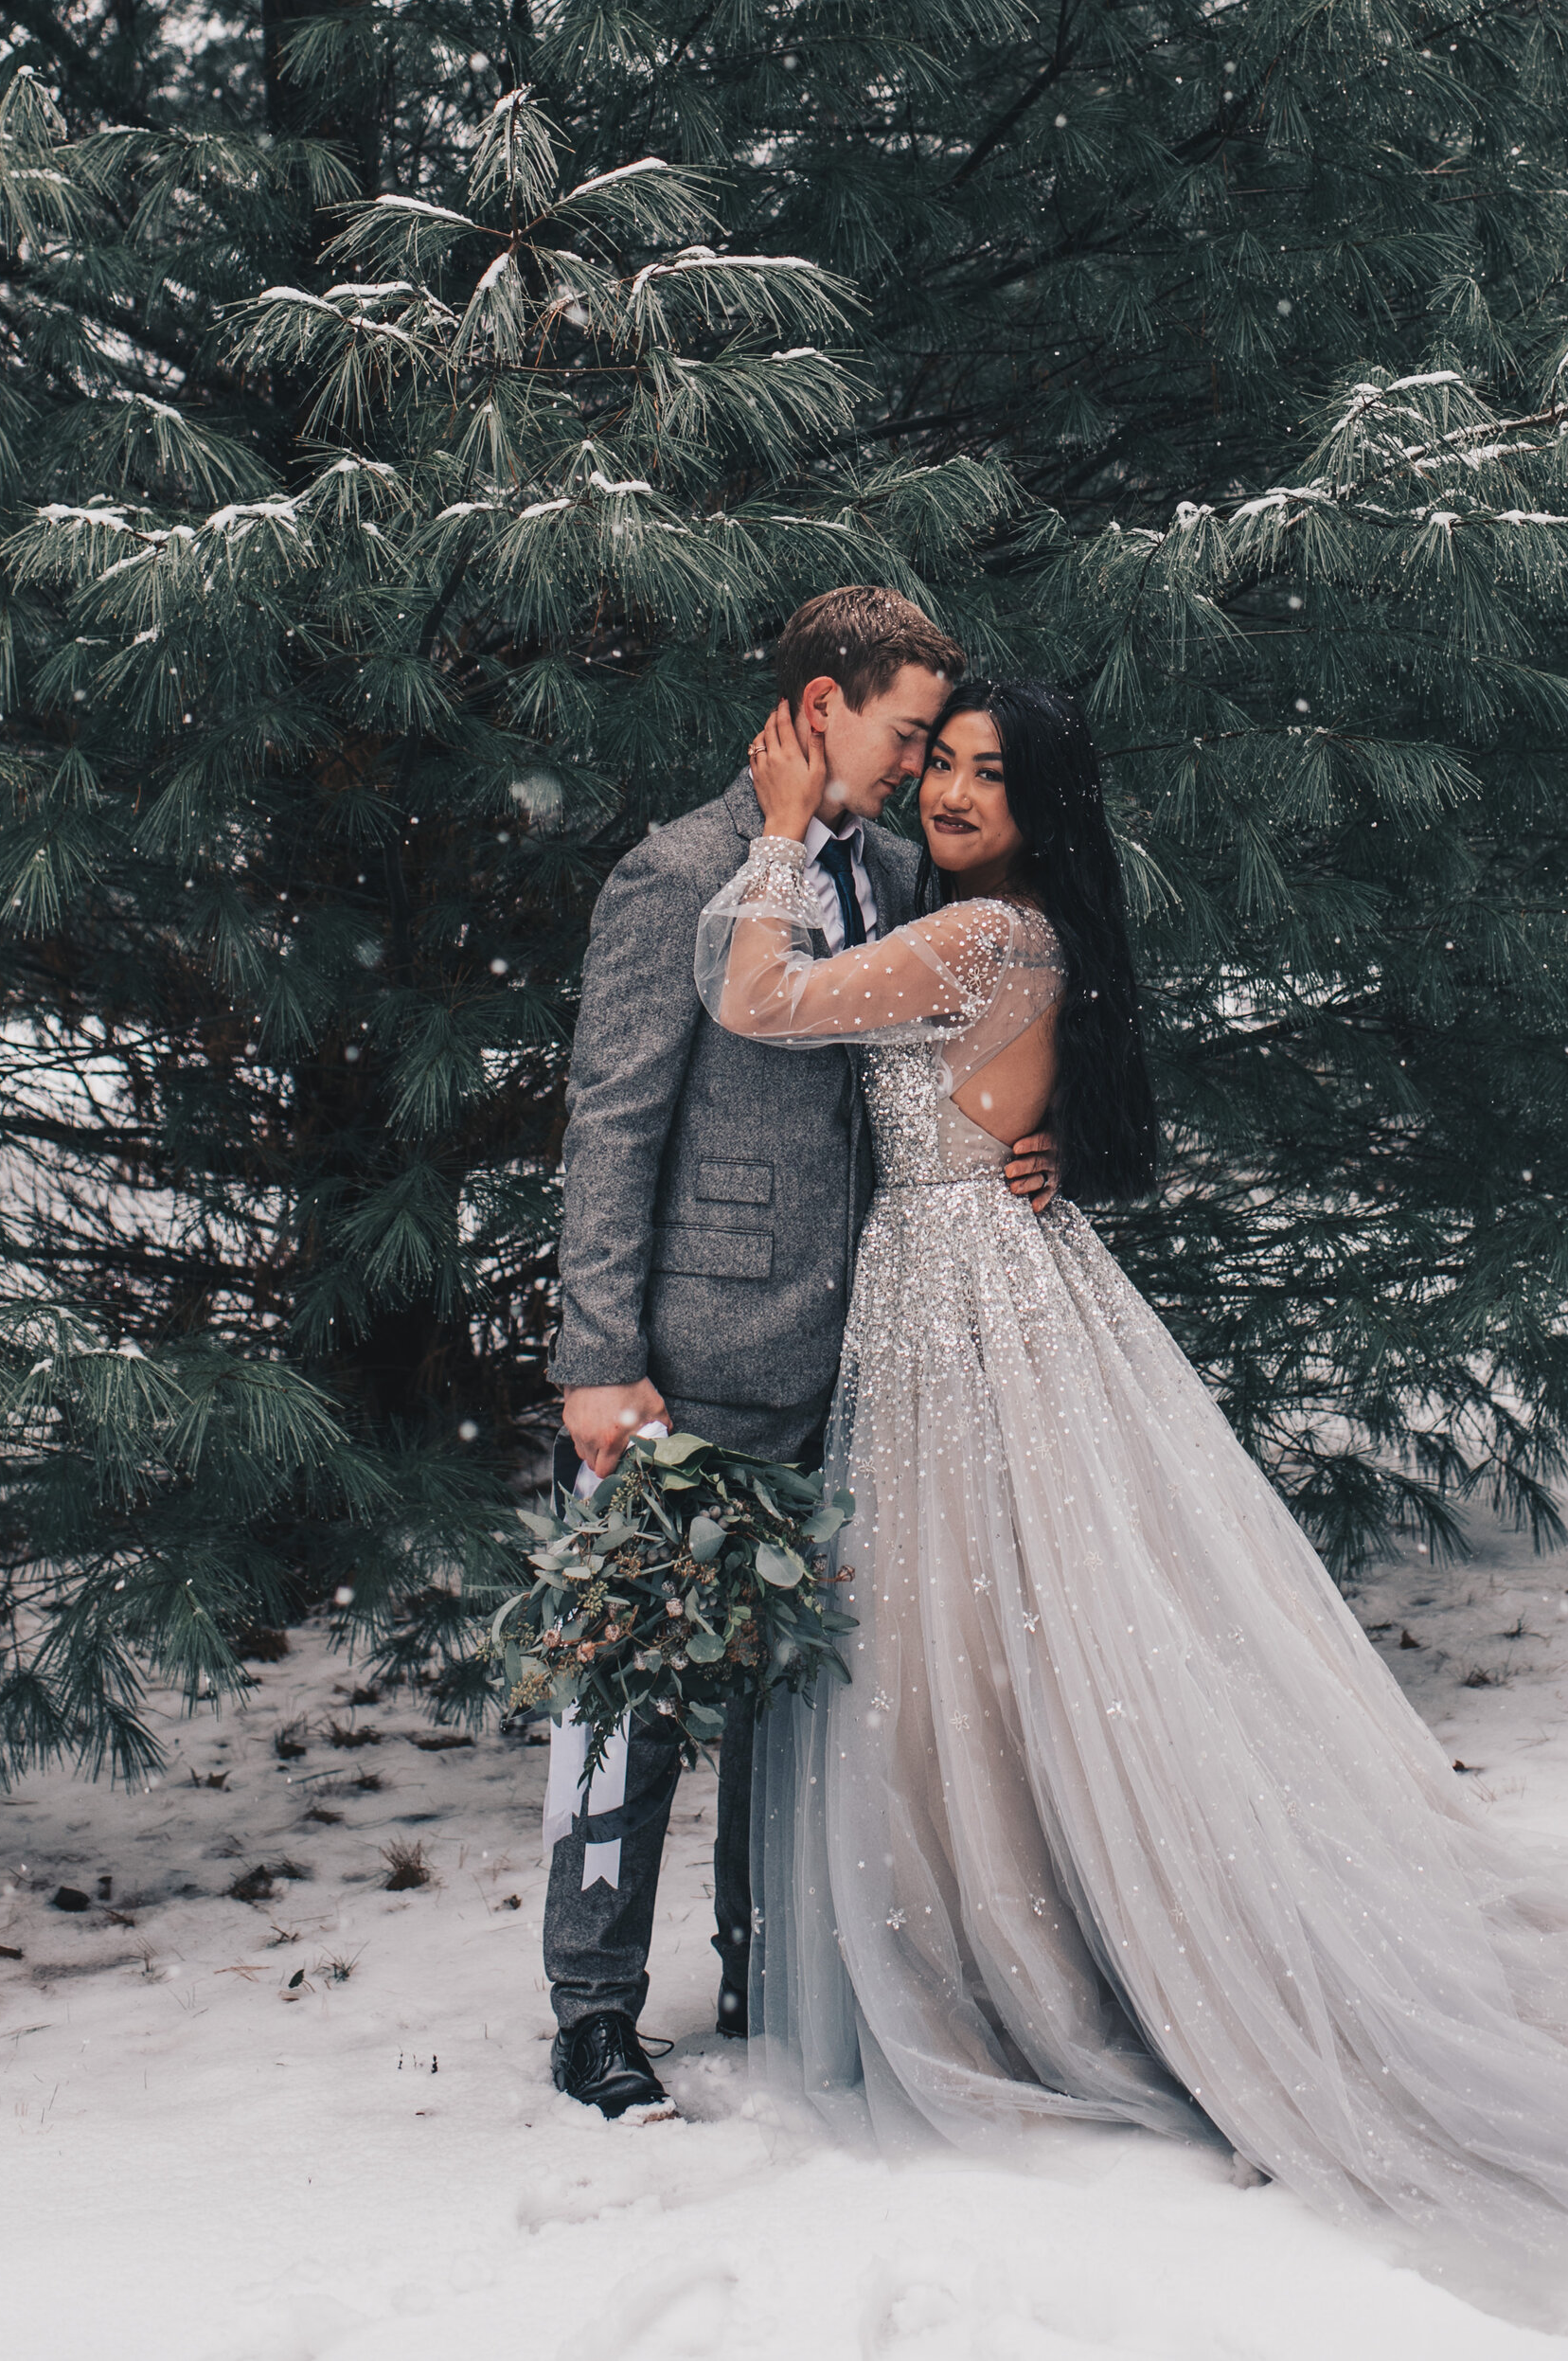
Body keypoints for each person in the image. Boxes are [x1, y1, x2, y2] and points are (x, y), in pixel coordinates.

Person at [695, 676, 1568, 2317]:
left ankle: (1050, 1938)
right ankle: (1023, 1908)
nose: (952, 790)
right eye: (940, 760)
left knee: (999, 1630)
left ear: (1039, 808)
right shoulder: (990, 930)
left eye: (988, 774)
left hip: (971, 1310)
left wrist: (791, 829)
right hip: (964, 1290)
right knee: (990, 1636)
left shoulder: (983, 937)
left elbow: (760, 1002)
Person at [543, 588, 1057, 2120]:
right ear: (821, 703)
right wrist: (594, 1353)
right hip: (688, 1358)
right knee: (623, 1692)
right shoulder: (677, 871)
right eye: (906, 733)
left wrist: (1039, 1147)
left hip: (861, 1357)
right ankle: (591, 2010)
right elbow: (614, 1124)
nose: (918, 768)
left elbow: (953, 1056)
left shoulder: (906, 876)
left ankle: (765, 1963)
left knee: (799, 1699)